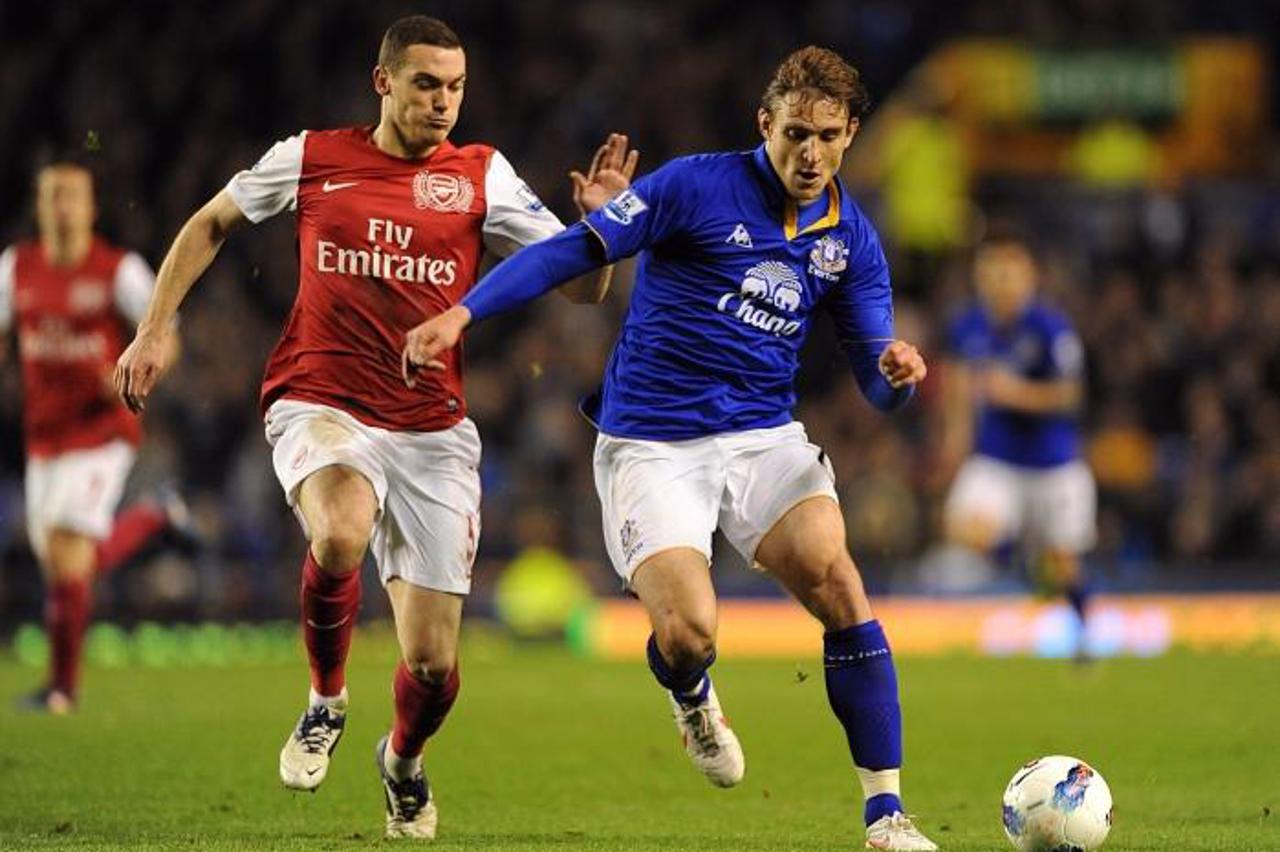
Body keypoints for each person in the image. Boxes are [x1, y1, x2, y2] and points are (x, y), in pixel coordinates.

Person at [403, 46, 938, 852]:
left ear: (851, 135)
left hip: (760, 436)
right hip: (652, 442)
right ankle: (690, 693)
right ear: (765, 123)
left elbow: (876, 381)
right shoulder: (694, 186)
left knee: (837, 578)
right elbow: (574, 250)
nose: (810, 154)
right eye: (795, 134)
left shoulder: (851, 241)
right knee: (689, 633)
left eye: (828, 137)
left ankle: (885, 814)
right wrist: (464, 314)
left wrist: (897, 376)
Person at [113, 15, 632, 840]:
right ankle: (326, 699)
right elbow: (210, 221)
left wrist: (605, 228)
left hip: (432, 431)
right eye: (426, 84)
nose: (444, 102)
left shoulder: (483, 174)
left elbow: (582, 290)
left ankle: (402, 762)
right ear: (383, 82)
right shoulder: (313, 157)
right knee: (341, 532)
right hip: (321, 402)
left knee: (433, 666)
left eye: (455, 87)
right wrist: (152, 329)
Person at [0, 160, 188, 715]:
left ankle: (62, 690)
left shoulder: (119, 270)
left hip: (103, 430)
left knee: (67, 549)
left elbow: (167, 335)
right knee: (66, 564)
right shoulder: (15, 267)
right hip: (44, 434)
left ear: (91, 208)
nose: (63, 207)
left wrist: (139, 373)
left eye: (73, 197)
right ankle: (154, 517)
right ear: (40, 207)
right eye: (53, 196)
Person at [939, 231, 1096, 655]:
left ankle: (1084, 634)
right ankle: (1024, 562)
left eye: (1009, 272)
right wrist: (955, 438)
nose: (1000, 282)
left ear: (1029, 277)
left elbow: (1071, 395)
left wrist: (1016, 393)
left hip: (1054, 463)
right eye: (992, 272)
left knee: (1066, 565)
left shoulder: (1051, 328)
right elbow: (958, 384)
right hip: (997, 458)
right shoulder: (968, 325)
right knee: (959, 525)